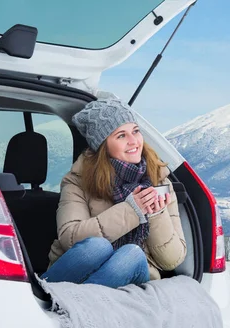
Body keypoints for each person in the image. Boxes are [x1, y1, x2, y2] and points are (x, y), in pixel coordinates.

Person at [42, 99, 187, 288]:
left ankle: (74, 304)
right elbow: (70, 238)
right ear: (103, 146)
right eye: (121, 135)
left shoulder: (159, 180)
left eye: (135, 131)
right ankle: (73, 301)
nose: (133, 141)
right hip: (74, 272)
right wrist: (132, 210)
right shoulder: (78, 181)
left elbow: (172, 260)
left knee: (132, 254)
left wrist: (156, 214)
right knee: (97, 246)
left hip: (129, 272)